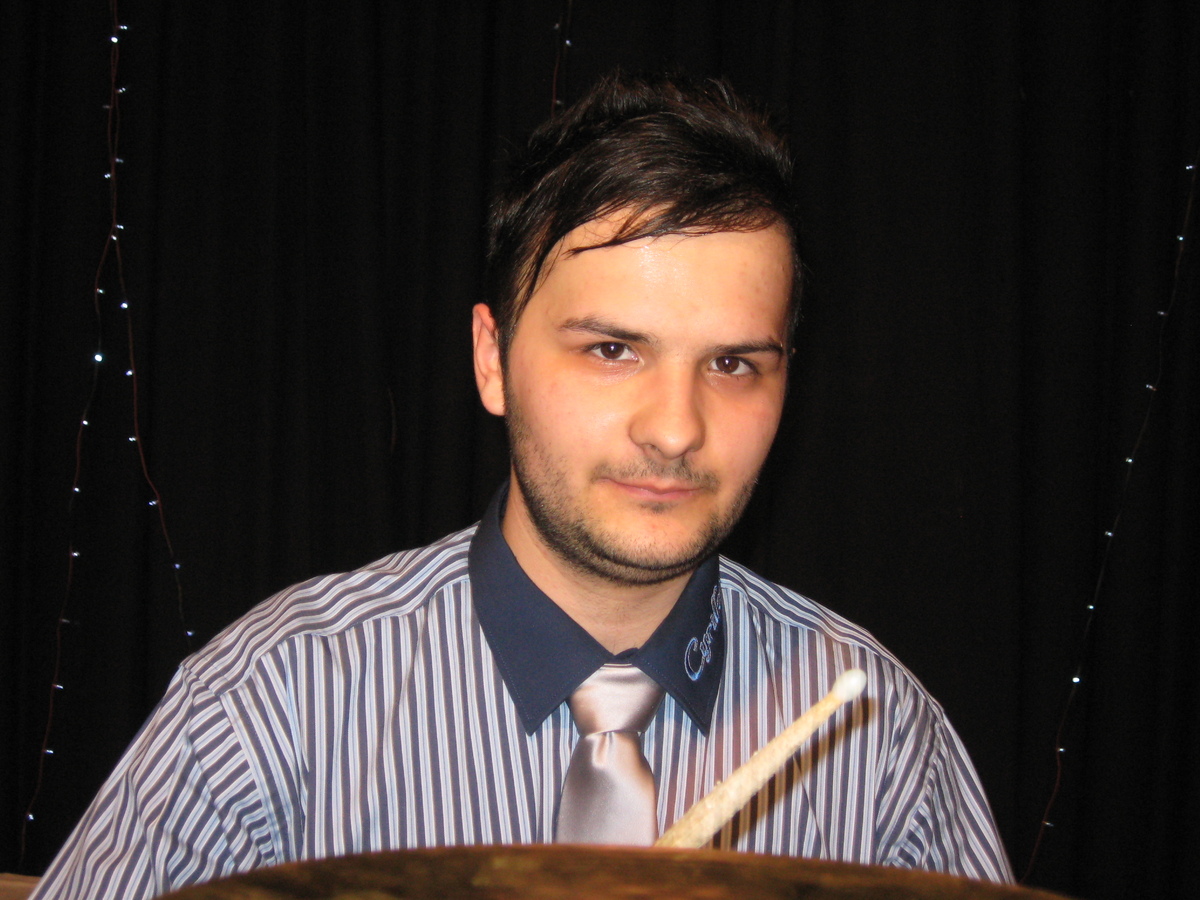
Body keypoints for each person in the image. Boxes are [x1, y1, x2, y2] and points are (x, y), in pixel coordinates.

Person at [30, 72, 1014, 899]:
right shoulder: (271, 708)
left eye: (733, 365)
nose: (676, 428)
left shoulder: (880, 742)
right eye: (613, 350)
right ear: (492, 359)